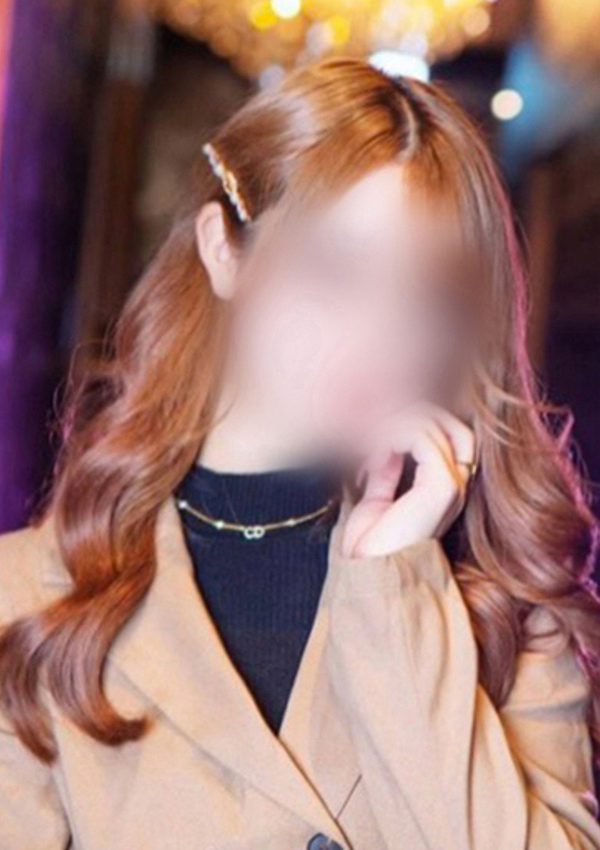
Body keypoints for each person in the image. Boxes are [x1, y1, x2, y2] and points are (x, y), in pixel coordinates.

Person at [0, 57, 599, 850]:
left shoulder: (505, 610)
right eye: (333, 271)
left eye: (425, 296)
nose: (378, 336)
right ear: (224, 250)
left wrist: (396, 592)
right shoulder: (31, 599)